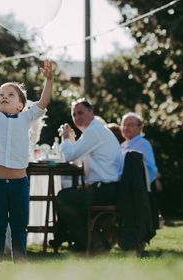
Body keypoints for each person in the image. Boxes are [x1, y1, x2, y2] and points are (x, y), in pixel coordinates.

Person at [0, 52, 53, 263]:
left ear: (20, 105)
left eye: (10, 94)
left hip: (19, 184)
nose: (3, 97)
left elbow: (44, 102)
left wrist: (49, 80)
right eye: (1, 94)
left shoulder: (27, 117)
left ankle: (20, 262)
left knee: (19, 227)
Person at [54, 98, 123, 252]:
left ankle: (94, 243)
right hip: (106, 188)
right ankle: (77, 242)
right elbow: (77, 159)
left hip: (106, 190)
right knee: (67, 197)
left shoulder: (95, 131)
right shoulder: (94, 131)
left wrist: (65, 138)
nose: (77, 117)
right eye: (74, 114)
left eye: (80, 113)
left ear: (91, 113)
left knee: (63, 199)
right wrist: (71, 141)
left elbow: (70, 156)